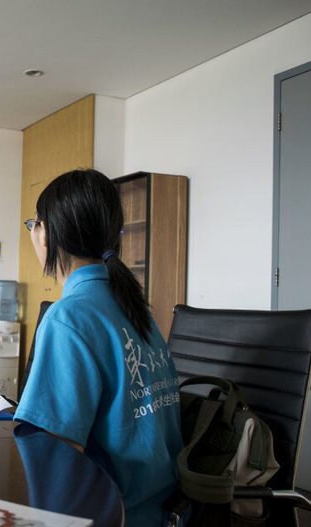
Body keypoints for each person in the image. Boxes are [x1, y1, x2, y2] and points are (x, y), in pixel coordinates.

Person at [15, 169, 182, 527]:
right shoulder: (135, 307)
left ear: (47, 235)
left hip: (111, 514)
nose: (33, 233)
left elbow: (55, 457)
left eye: (34, 224)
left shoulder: (69, 316)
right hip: (166, 511)